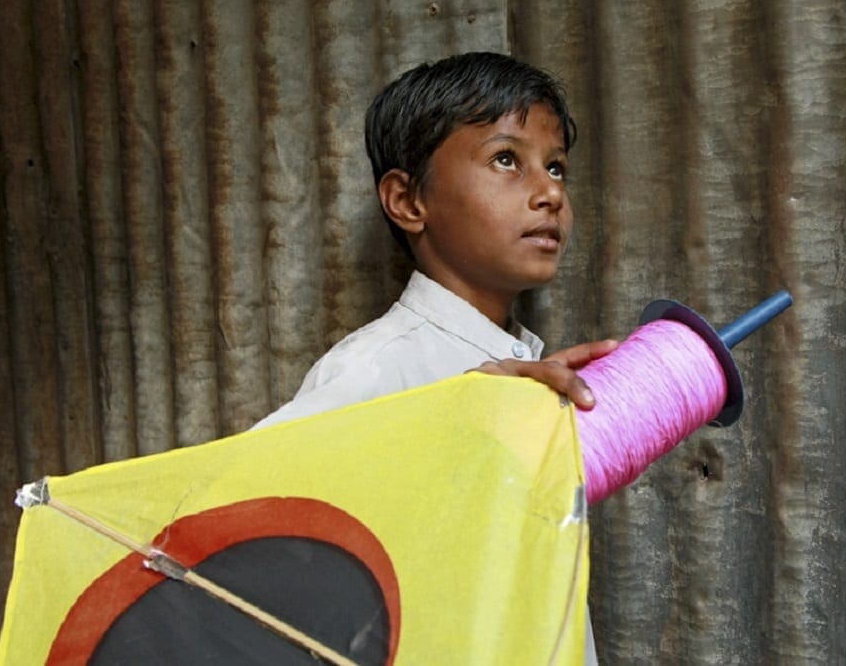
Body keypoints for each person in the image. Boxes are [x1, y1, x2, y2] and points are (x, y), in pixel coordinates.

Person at [254, 51, 613, 663]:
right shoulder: (376, 370)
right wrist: (446, 424)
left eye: (556, 167)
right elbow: (242, 528)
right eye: (507, 160)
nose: (550, 190)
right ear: (408, 201)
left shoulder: (529, 372)